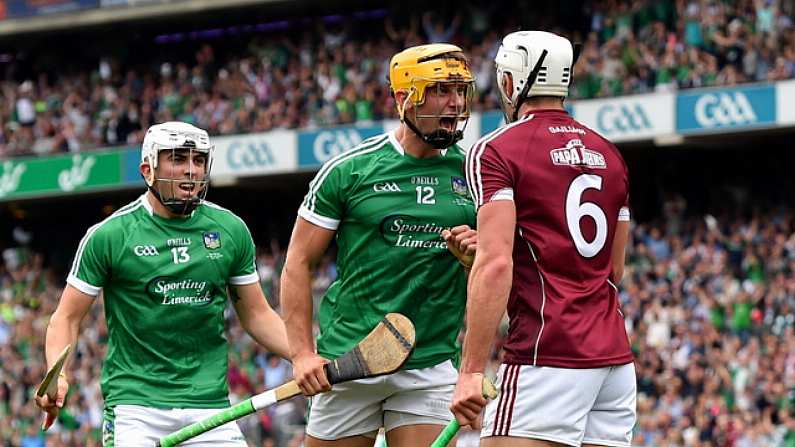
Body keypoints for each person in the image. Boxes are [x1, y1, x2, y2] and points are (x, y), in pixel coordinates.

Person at [34, 121, 290, 446]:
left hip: (209, 406)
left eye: (198, 161)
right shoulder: (110, 235)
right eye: (178, 159)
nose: (190, 171)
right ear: (148, 169)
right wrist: (59, 375)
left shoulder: (230, 230)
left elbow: (257, 315)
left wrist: (304, 355)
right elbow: (66, 317)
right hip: (135, 408)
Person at [280, 43, 478, 447]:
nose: (455, 103)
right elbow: (298, 263)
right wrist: (302, 354)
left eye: (461, 91)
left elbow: (497, 269)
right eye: (440, 91)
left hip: (429, 364)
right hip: (349, 361)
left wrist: (476, 256)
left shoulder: (475, 171)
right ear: (404, 97)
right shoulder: (350, 170)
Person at [451, 31, 637, 447]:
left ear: (512, 82)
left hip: (548, 352)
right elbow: (613, 269)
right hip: (614, 362)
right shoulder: (610, 154)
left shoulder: (495, 150)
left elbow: (497, 263)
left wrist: (470, 371)